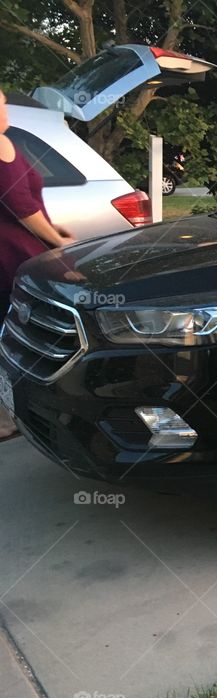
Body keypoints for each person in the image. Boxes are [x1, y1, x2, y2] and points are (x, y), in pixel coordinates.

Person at [0, 86, 77, 440]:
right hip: (12, 253)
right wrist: (55, 241)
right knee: (14, 330)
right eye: (0, 107)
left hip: (24, 245)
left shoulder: (8, 142)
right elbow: (21, 206)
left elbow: (29, 200)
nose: (6, 112)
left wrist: (52, 227)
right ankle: (7, 416)